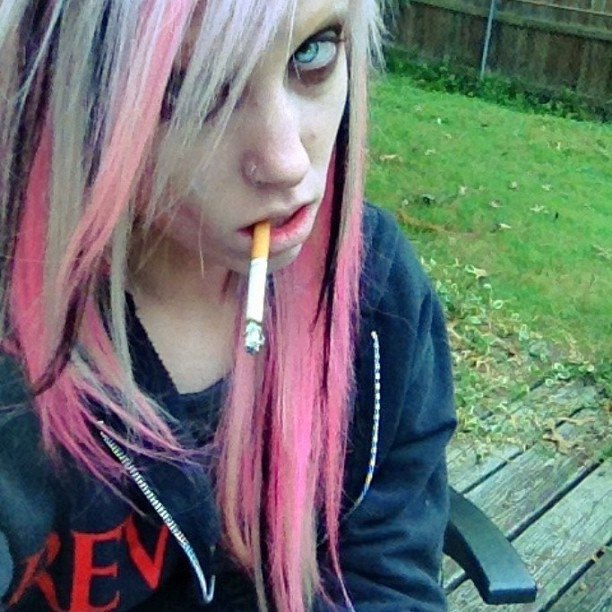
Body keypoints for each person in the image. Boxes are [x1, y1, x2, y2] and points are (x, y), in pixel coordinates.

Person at [0, 1, 456, 610]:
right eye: (190, 90)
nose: (286, 162)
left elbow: (386, 577)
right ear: (73, 93)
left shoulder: (376, 295)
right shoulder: (15, 364)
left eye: (313, 52)